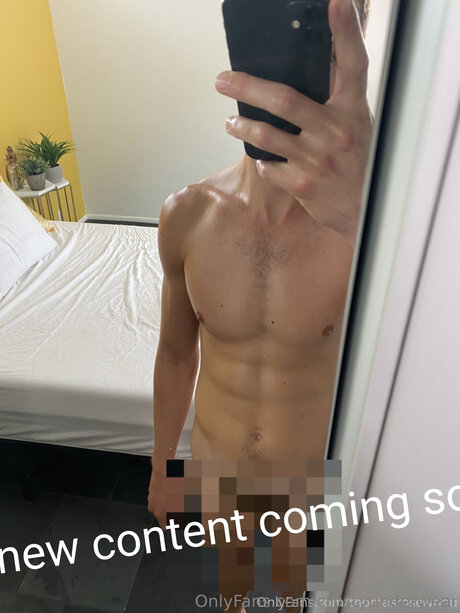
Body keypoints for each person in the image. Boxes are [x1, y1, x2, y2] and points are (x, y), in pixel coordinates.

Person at [149, 0, 372, 610]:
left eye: (320, 41)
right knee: (234, 590)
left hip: (307, 484)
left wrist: (371, 211)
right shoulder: (187, 214)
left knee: (297, 595)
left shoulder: (375, 233)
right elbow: (175, 355)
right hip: (219, 471)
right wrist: (163, 465)